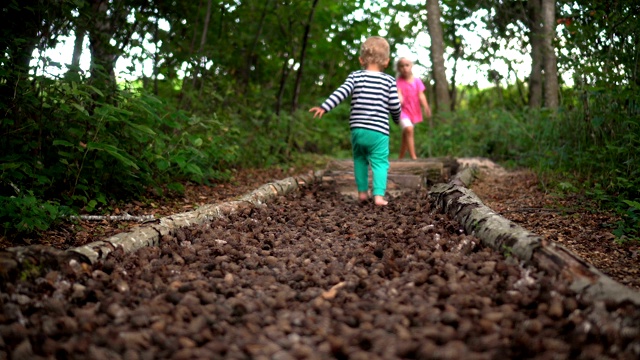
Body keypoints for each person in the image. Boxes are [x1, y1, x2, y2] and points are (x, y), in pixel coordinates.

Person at [309, 36, 401, 206]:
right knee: (380, 162)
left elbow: (341, 92)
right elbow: (395, 105)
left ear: (361, 60)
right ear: (387, 62)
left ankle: (362, 193)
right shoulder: (388, 81)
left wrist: (325, 107)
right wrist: (397, 119)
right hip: (379, 132)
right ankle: (379, 196)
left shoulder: (355, 77)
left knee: (360, 159)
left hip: (357, 130)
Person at [395, 57, 431, 160]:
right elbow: (399, 93)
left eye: (407, 65)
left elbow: (421, 95)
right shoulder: (398, 82)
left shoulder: (417, 81)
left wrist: (426, 107)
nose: (404, 68)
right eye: (401, 66)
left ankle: (400, 158)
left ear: (411, 66)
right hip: (402, 111)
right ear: (398, 68)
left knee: (406, 134)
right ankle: (413, 157)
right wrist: (399, 98)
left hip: (414, 111)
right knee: (409, 129)